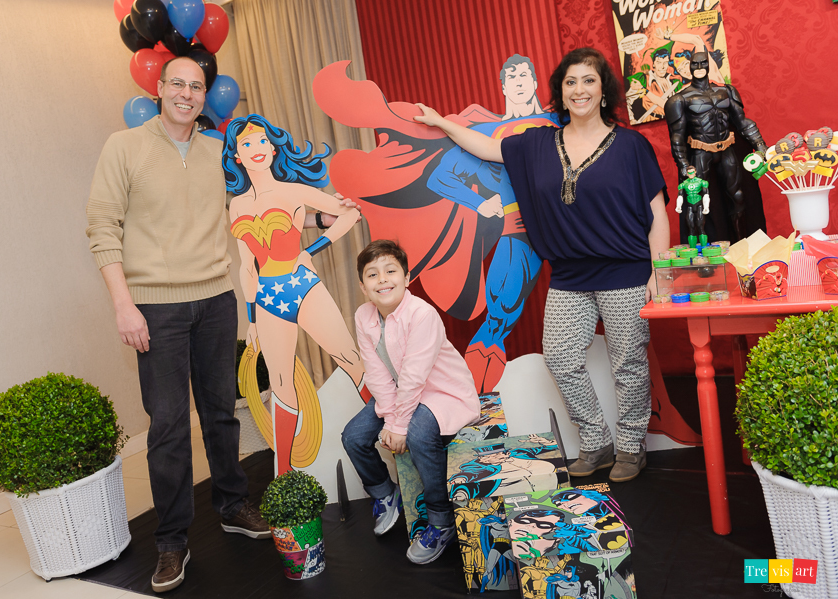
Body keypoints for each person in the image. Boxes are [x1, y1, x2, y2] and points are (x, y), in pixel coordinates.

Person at [415, 47, 671, 483]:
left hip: (625, 271)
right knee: (560, 356)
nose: (579, 90)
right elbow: (489, 147)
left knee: (628, 363)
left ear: (603, 88)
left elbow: (658, 213)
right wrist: (442, 122)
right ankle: (595, 441)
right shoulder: (537, 143)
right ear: (559, 91)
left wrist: (658, 273)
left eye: (588, 80)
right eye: (570, 82)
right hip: (569, 275)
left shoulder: (631, 145)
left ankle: (631, 448)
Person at [86, 57, 271, 593]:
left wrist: (325, 212)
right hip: (154, 308)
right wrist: (124, 304)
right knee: (167, 427)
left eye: (197, 86)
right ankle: (171, 542)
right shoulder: (124, 147)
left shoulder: (220, 149)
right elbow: (101, 226)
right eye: (178, 84)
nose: (187, 94)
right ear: (159, 88)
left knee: (221, 414)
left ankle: (234, 507)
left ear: (204, 94)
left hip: (215, 299)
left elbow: (260, 202)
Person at [223, 114, 368, 476]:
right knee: (282, 384)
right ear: (237, 156)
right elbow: (246, 268)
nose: (256, 149)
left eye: (261, 142)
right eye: (246, 144)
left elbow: (351, 215)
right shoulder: (236, 204)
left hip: (303, 288)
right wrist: (252, 319)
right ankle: (285, 477)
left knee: (351, 359)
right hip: (268, 300)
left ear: (272, 147)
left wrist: (312, 250)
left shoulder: (295, 191)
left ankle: (397, 438)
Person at [426, 54, 559, 394]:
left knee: (607, 309)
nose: (518, 79)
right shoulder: (486, 133)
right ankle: (479, 416)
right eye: (511, 75)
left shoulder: (559, 121)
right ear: (502, 86)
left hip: (568, 225)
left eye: (524, 74)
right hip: (517, 229)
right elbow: (440, 176)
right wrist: (479, 202)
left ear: (534, 82)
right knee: (498, 319)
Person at [341, 239, 479, 564]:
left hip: (440, 392)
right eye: (372, 275)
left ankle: (440, 519)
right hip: (396, 393)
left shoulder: (422, 314)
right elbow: (375, 373)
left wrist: (399, 426)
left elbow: (416, 376)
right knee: (353, 436)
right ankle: (384, 493)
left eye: (391, 271)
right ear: (362, 286)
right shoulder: (364, 316)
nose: (383, 279)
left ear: (407, 277)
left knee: (417, 434)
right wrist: (390, 419)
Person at [664, 51, 767, 240]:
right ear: (689, 67)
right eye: (695, 64)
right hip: (701, 151)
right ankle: (702, 252)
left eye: (703, 63)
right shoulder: (680, 99)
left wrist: (760, 145)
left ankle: (743, 246)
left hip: (727, 149)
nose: (699, 68)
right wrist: (684, 165)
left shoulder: (726, 91)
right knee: (697, 204)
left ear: (709, 65)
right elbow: (677, 138)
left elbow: (742, 121)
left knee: (738, 197)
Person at [676, 166, 710, 247]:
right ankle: (692, 248)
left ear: (695, 172)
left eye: (692, 172)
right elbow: (680, 195)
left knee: (700, 226)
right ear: (687, 173)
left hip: (699, 206)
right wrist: (678, 206)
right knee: (690, 227)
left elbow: (706, 194)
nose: (691, 174)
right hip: (690, 206)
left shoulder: (701, 182)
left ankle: (704, 247)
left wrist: (706, 206)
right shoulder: (684, 184)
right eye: (689, 173)